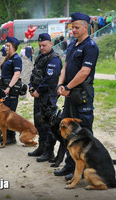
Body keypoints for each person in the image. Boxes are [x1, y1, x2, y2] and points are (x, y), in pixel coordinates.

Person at [53, 12, 99, 181]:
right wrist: (61, 84)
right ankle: (70, 165)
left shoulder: (91, 47)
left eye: (77, 27)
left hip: (82, 96)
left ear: (86, 27)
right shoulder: (72, 45)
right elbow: (65, 67)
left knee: (83, 134)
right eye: (72, 27)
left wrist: (68, 87)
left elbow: (84, 72)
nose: (73, 30)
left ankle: (86, 169)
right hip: (69, 94)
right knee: (68, 132)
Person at [28, 33, 62, 162]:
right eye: (40, 45)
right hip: (38, 95)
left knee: (48, 125)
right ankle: (41, 148)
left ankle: (49, 152)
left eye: (44, 45)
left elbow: (50, 79)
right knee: (39, 122)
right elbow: (34, 73)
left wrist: (38, 91)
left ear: (50, 44)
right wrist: (31, 87)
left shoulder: (54, 59)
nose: (42, 48)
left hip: (48, 96)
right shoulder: (40, 57)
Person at [0, 36, 22, 144]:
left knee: (9, 115)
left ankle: (11, 137)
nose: (6, 47)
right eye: (5, 45)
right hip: (4, 89)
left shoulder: (16, 59)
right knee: (3, 114)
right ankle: (5, 136)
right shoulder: (9, 58)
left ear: (14, 46)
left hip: (10, 91)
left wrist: (9, 87)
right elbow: (8, 73)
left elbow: (17, 74)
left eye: (8, 46)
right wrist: (1, 77)